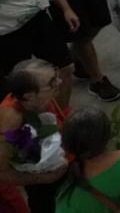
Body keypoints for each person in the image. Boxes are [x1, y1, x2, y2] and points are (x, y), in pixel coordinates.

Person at [0, 59, 71, 213]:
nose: (59, 81)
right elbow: (1, 172)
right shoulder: (10, 121)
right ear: (28, 96)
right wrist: (44, 179)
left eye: (56, 75)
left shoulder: (41, 98)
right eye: (52, 82)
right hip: (44, 185)